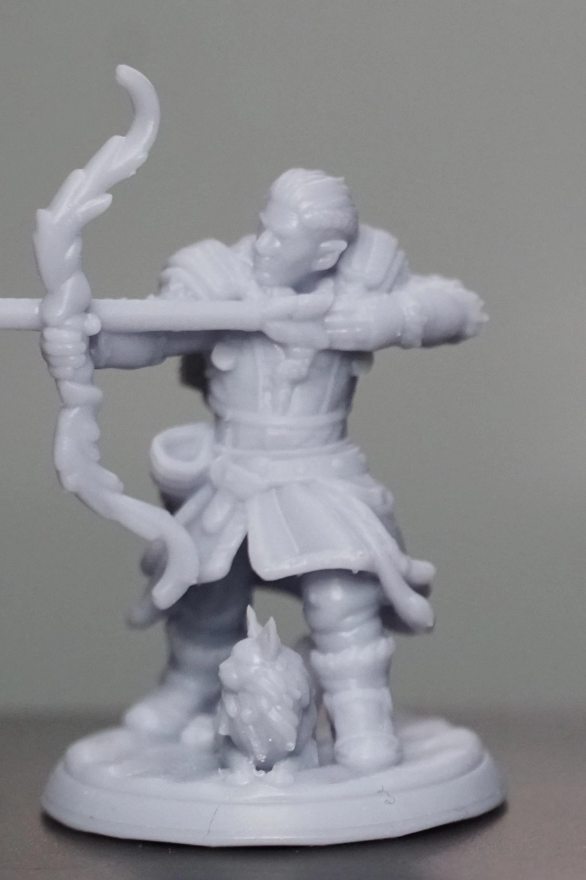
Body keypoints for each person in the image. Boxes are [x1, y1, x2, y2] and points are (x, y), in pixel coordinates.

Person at [42, 168, 485, 772]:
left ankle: (362, 719)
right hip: (235, 469)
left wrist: (391, 318)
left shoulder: (367, 271)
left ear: (325, 253)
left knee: (341, 595)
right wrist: (90, 344)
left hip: (320, 470)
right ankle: (189, 687)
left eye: (283, 239)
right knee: (206, 590)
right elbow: (158, 333)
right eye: (265, 228)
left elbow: (461, 309)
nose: (265, 245)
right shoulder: (218, 275)